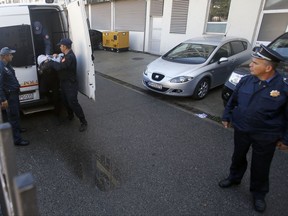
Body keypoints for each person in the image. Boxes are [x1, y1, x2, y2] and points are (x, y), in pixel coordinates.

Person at [219, 44, 288, 213]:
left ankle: (258, 194)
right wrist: (226, 116)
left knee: (261, 165)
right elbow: (233, 101)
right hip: (242, 128)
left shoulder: (283, 87)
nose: (250, 65)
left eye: (255, 63)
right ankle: (234, 178)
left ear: (268, 67)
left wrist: (286, 139)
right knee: (238, 156)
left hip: (266, 134)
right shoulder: (246, 80)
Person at [45, 38, 88, 132]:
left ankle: (83, 121)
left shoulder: (70, 57)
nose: (60, 47)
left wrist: (51, 62)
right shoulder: (66, 55)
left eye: (60, 46)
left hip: (70, 84)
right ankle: (70, 115)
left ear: (64, 46)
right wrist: (56, 56)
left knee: (73, 103)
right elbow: (62, 60)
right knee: (65, 101)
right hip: (64, 83)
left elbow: (61, 66)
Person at [0, 47, 29, 146]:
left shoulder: (7, 65)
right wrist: (3, 99)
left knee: (16, 114)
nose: (12, 56)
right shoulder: (0, 67)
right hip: (9, 95)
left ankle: (17, 129)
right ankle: (17, 139)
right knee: (13, 116)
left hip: (14, 94)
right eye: (10, 54)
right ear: (5, 56)